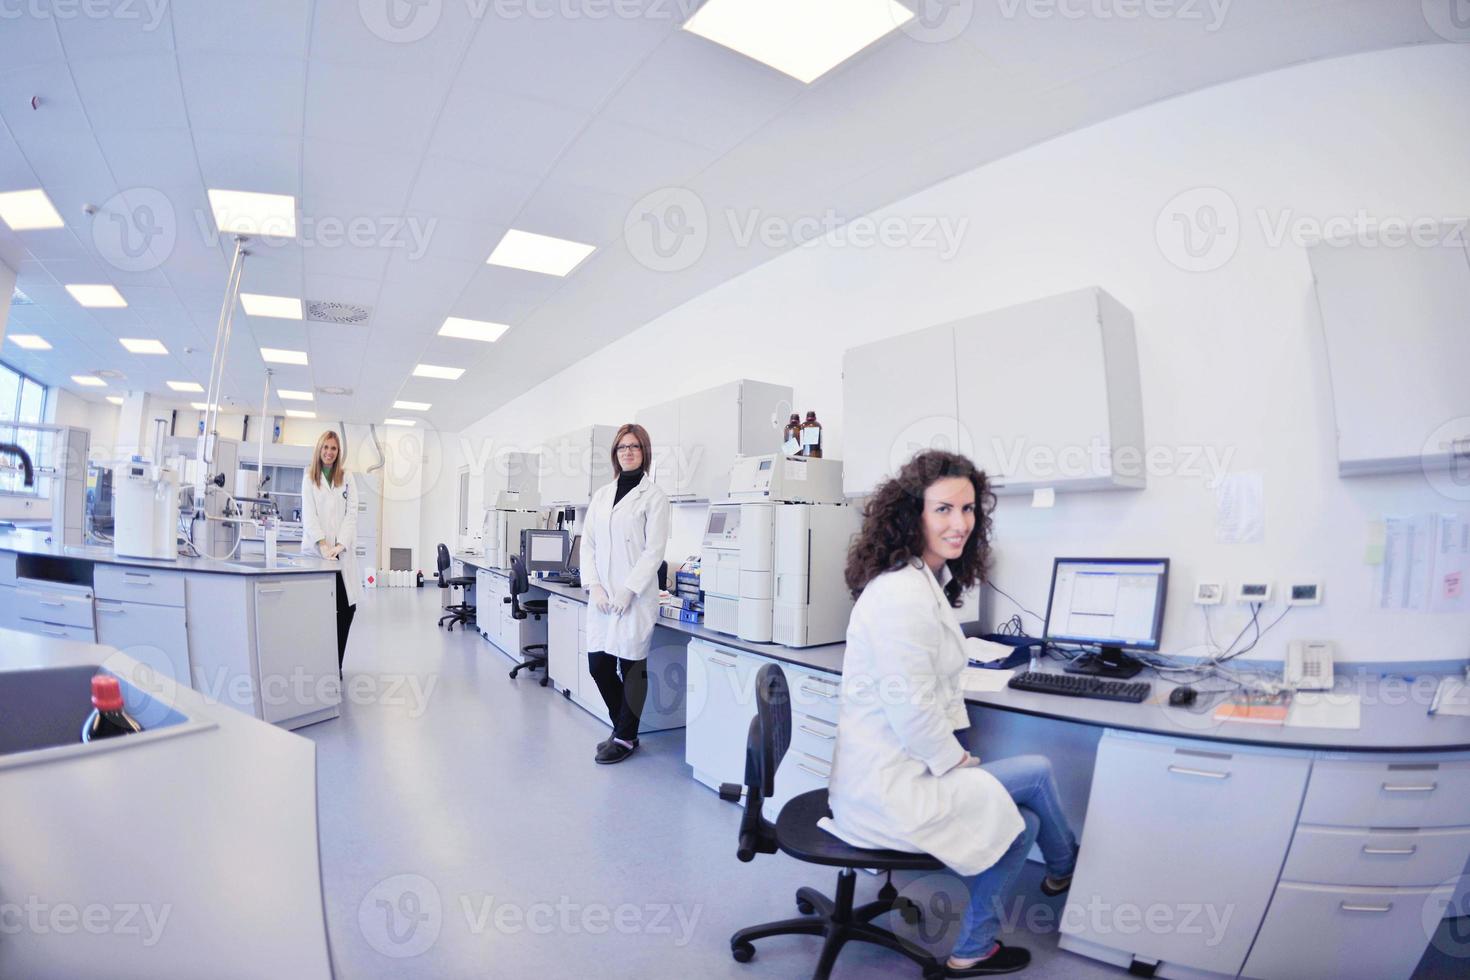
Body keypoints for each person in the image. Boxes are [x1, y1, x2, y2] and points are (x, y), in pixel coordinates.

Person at [822, 450, 1078, 976]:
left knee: (1029, 793)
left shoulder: (922, 581)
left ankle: (1050, 880)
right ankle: (1040, 890)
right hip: (889, 789)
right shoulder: (901, 595)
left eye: (967, 510)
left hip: (890, 772)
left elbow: (920, 682)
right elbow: (910, 707)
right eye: (943, 510)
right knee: (1025, 809)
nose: (959, 523)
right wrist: (954, 760)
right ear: (911, 513)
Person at [580, 423, 670, 764]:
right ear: (615, 454)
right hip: (602, 597)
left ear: (644, 452)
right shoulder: (602, 495)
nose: (627, 452)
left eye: (634, 446)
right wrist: (596, 585)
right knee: (598, 665)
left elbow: (654, 551)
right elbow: (588, 544)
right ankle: (624, 728)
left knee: (632, 667)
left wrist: (629, 590)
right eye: (621, 447)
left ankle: (625, 736)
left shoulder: (655, 497)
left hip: (635, 598)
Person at [301, 429, 360, 675]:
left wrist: (340, 545)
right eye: (326, 447)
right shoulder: (309, 477)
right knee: (319, 611)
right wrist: (324, 545)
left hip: (341, 553)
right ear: (319, 449)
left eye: (333, 448)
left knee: (347, 608)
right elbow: (309, 515)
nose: (329, 452)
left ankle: (336, 663)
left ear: (338, 452)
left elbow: (352, 513)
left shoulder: (347, 478)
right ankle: (320, 663)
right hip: (318, 554)